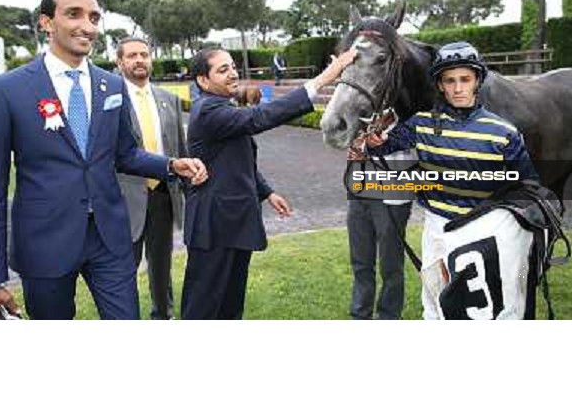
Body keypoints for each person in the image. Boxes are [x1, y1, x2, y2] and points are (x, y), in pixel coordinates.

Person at [0, 0, 207, 320]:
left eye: (93, 17)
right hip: (45, 243)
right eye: (74, 15)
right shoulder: (6, 90)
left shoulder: (113, 85)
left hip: (109, 238)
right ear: (46, 22)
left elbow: (126, 154)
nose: (87, 26)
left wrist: (172, 165)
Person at [181, 46, 357, 319]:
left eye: (232, 66)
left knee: (229, 307)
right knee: (203, 310)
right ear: (203, 81)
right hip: (213, 228)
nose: (232, 74)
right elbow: (260, 117)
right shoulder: (207, 111)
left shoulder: (220, 106)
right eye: (222, 69)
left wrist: (267, 192)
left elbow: (235, 161)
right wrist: (326, 77)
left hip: (232, 224)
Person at [366, 41, 538, 319]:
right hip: (437, 230)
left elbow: (528, 186)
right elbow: (384, 147)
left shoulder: (504, 133)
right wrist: (374, 142)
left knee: (495, 310)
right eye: (450, 81)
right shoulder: (419, 124)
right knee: (436, 304)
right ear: (440, 85)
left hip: (486, 233)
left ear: (477, 81)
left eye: (465, 79)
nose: (458, 88)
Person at [116, 37, 187, 320]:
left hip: (163, 196)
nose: (139, 60)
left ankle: (164, 316)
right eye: (132, 55)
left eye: (144, 54)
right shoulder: (110, 100)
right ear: (120, 62)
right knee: (123, 268)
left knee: (161, 265)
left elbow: (180, 149)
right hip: (124, 199)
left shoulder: (169, 100)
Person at [346, 149, 416, 320]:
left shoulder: (409, 121)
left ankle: (389, 316)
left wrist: (373, 147)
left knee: (390, 264)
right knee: (360, 261)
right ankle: (360, 315)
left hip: (394, 189)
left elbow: (410, 136)